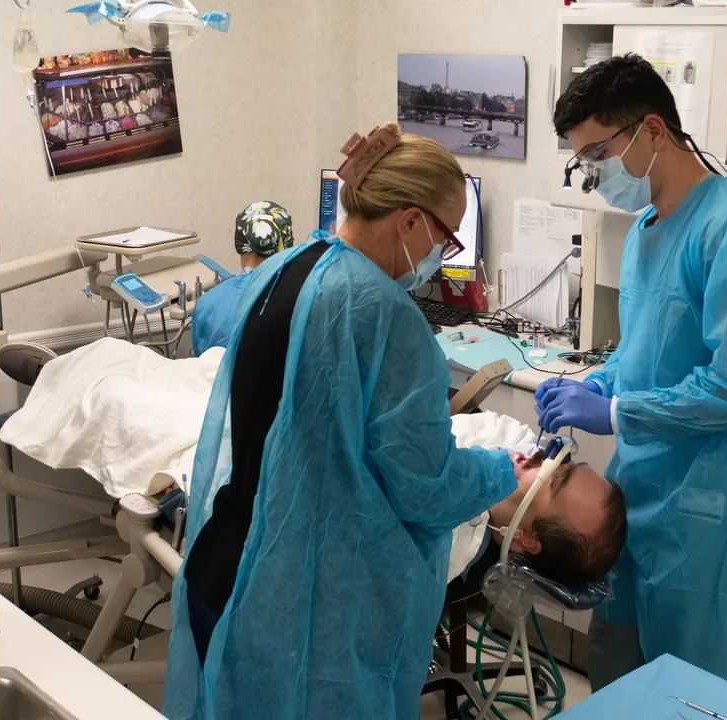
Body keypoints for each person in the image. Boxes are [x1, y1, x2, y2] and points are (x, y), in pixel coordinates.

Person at [163, 123, 522, 720]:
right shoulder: (385, 316)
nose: (442, 255)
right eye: (445, 237)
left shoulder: (283, 270)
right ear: (409, 221)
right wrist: (496, 473)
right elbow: (423, 485)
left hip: (224, 566)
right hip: (295, 607)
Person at [536, 54, 727, 688]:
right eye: (582, 160)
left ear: (653, 131)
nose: (591, 174)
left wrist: (614, 412)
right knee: (619, 678)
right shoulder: (645, 231)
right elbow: (653, 354)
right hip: (642, 496)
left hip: (710, 510)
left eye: (597, 153)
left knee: (685, 693)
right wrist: (600, 383)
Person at [450, 448, 628, 594]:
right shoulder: (513, 459)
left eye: (555, 479)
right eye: (567, 463)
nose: (544, 456)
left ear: (527, 538)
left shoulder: (450, 546)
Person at [190, 201, 295, 355]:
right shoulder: (300, 298)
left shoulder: (206, 303)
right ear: (287, 244)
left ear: (239, 243)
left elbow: (201, 362)